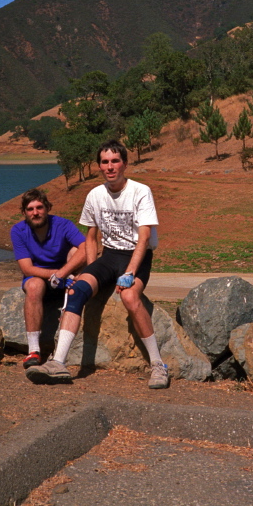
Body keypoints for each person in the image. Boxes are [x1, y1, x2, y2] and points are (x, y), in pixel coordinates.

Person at [25, 139, 168, 389]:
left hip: (137, 255)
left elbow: (144, 237)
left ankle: (158, 365)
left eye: (115, 161)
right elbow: (91, 237)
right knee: (77, 290)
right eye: (105, 162)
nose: (110, 166)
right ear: (99, 166)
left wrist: (131, 272)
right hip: (109, 256)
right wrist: (92, 272)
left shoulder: (140, 191)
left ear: (124, 163)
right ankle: (59, 362)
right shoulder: (95, 195)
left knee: (130, 298)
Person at [11, 188, 86, 369]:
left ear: (47, 208)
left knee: (76, 251)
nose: (35, 213)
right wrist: (55, 274)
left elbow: (86, 248)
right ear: (24, 213)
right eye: (30, 209)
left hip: (64, 276)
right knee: (35, 285)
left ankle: (68, 311)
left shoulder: (63, 225)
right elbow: (27, 268)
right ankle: (34, 350)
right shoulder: (18, 230)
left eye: (39, 207)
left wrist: (63, 273)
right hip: (39, 277)